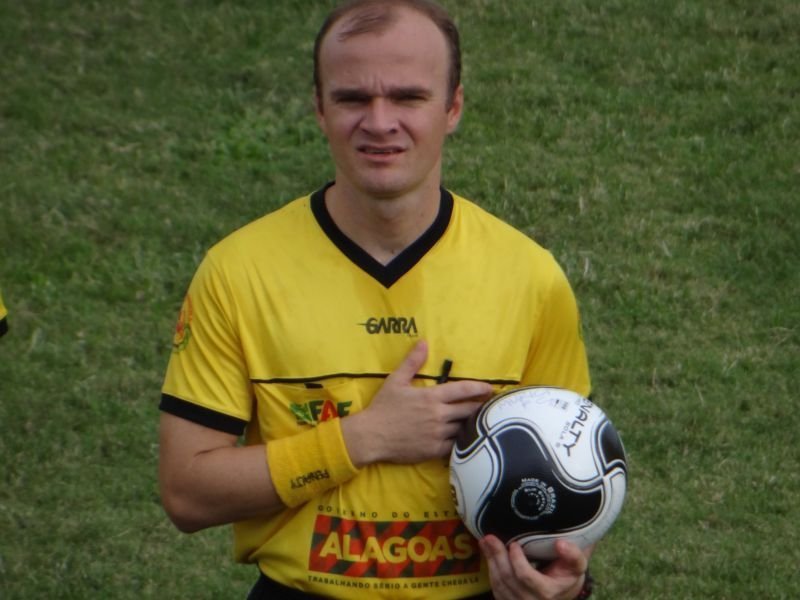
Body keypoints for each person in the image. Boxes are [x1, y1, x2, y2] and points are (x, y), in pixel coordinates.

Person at [159, 1, 595, 598]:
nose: (380, 121)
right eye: (352, 98)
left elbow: (571, 479)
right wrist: (363, 439)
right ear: (318, 108)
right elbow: (186, 492)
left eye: (408, 97)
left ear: (453, 108)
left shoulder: (530, 277)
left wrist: (567, 583)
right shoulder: (239, 272)